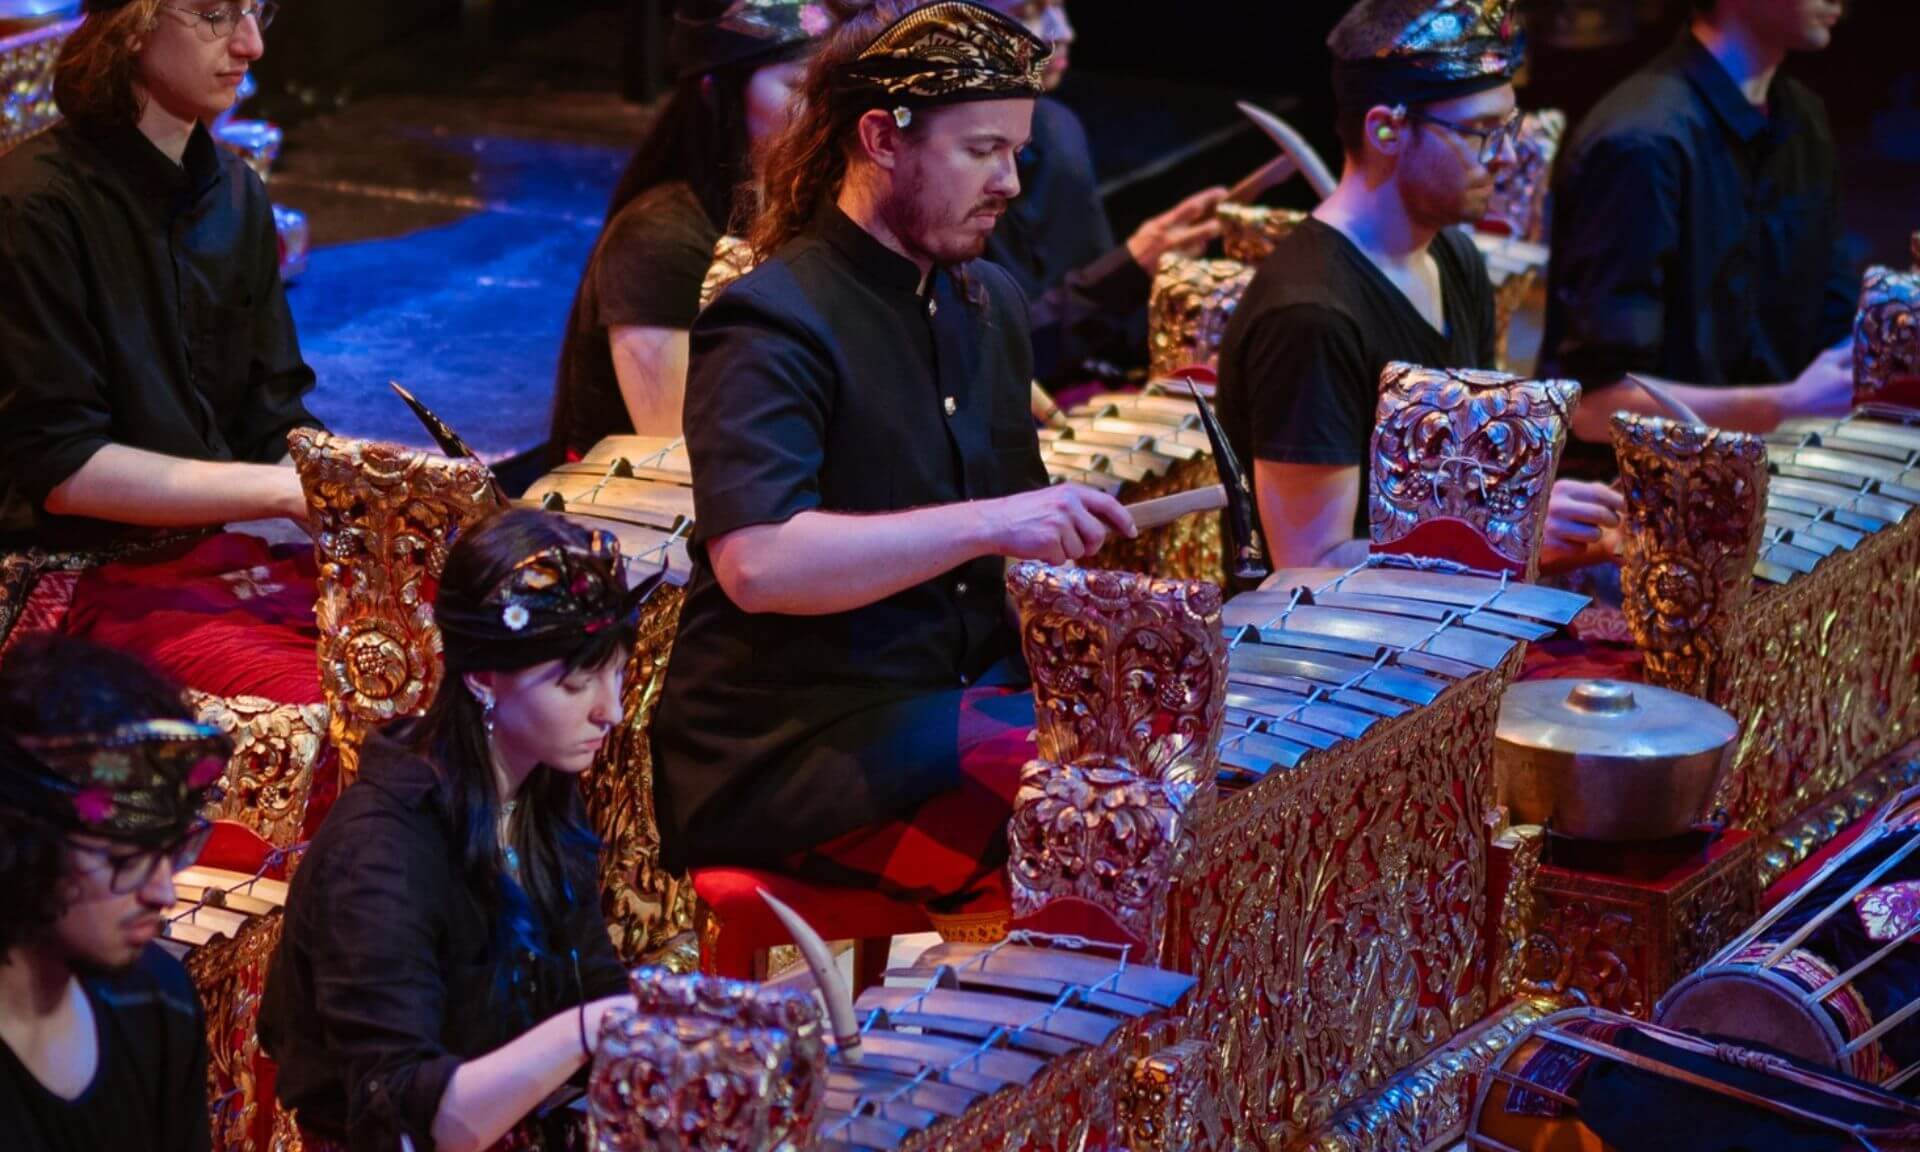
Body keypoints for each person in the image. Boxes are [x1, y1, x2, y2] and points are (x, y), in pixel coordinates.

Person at [650, 0, 1135, 939]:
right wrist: (998, 522)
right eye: (981, 151)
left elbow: (1003, 562)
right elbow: (759, 565)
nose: (1010, 184)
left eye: (1017, 153)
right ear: (881, 137)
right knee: (1080, 809)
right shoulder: (773, 319)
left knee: (1155, 759)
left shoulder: (986, 299)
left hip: (946, 711)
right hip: (795, 749)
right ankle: (1010, 1073)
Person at [261, 510, 648, 1152]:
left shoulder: (541, 786)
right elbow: (411, 1114)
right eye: (578, 682)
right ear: (480, 676)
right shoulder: (382, 852)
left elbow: (593, 977)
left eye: (618, 673)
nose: (611, 710)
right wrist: (591, 1029)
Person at [1215, 0, 1622, 571]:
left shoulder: (1455, 256)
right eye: (1481, 131)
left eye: (1507, 127)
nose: (1507, 157)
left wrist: (1533, 524)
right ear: (1386, 129)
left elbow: (1477, 477)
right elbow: (1308, 563)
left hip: (1441, 625)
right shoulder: (1310, 315)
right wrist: (1507, 534)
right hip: (1340, 652)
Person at [0, 0, 324, 705]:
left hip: (197, 561)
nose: (249, 45)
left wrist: (372, 485)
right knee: (326, 702)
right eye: (214, 14)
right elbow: (63, 466)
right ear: (133, 26)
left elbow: (273, 420)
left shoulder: (237, 193)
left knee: (452, 647)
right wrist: (281, 491)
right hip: (67, 571)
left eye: (254, 12)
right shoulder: (34, 204)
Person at [1538, 0, 1855, 455]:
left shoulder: (1803, 118)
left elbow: (1833, 323)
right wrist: (1785, 406)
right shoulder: (1641, 143)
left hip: (1778, 468)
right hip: (1637, 494)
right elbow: (1591, 403)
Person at [549, 0, 829, 456]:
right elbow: (677, 457)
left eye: (830, 91)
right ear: (714, 91)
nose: (822, 112)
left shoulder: (816, 207)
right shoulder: (657, 241)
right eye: (798, 87)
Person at [0, 634, 227, 1152]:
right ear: (28, 841)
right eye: (127, 857)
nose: (164, 892)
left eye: (171, 851)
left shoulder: (157, 998)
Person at [974, 0, 1227, 384]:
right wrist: (1129, 267)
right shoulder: (940, 165)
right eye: (1029, 11)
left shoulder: (1059, 130)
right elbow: (990, 358)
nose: (1065, 33)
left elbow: (1097, 331)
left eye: (1059, 8)